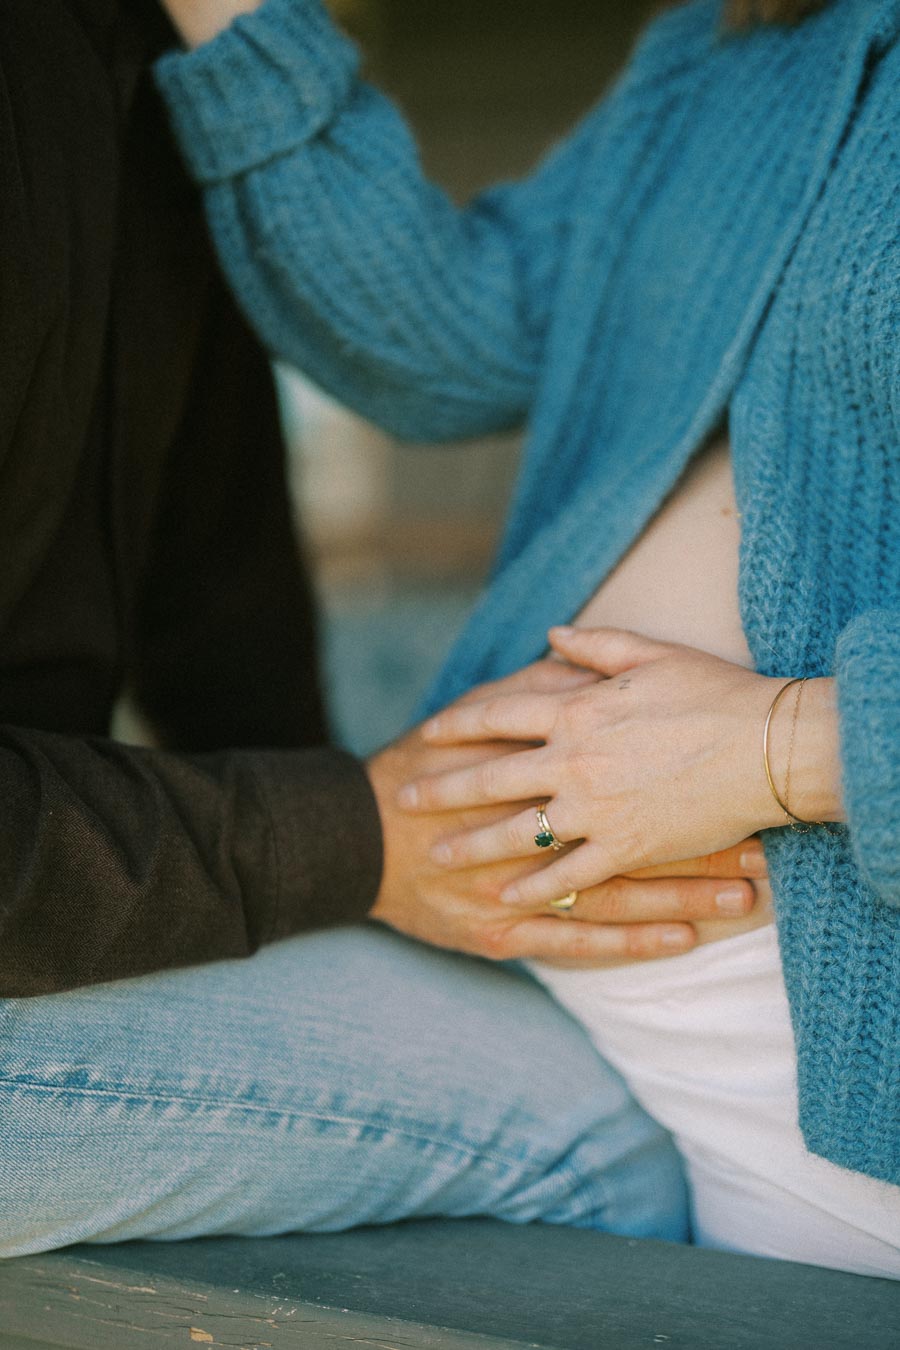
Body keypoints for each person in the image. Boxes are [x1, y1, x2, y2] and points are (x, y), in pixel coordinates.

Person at [0, 0, 767, 1258]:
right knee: (608, 1162)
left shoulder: (122, 51)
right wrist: (351, 841)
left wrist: (368, 871)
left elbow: (213, 553)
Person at [150, 0, 900, 1276]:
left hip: (832, 1087)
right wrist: (234, 17)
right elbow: (445, 339)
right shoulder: (733, 48)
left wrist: (785, 748)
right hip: (575, 1016)